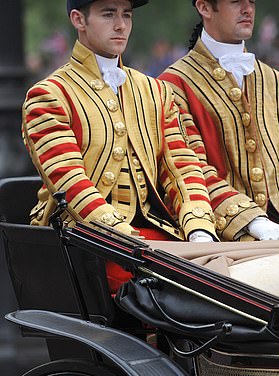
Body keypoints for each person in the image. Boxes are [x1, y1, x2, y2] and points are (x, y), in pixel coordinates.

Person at [22, 0, 218, 291]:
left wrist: (200, 229)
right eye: (108, 14)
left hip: (158, 236)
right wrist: (131, 243)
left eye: (126, 15)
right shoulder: (50, 95)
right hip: (88, 244)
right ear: (78, 20)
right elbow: (72, 183)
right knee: (174, 286)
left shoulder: (156, 91)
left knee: (225, 273)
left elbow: (183, 167)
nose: (121, 25)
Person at [159, 0, 279, 241]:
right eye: (236, 1)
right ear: (204, 7)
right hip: (221, 238)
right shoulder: (172, 86)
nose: (248, 9)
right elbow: (189, 168)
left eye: (252, 1)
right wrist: (252, 220)